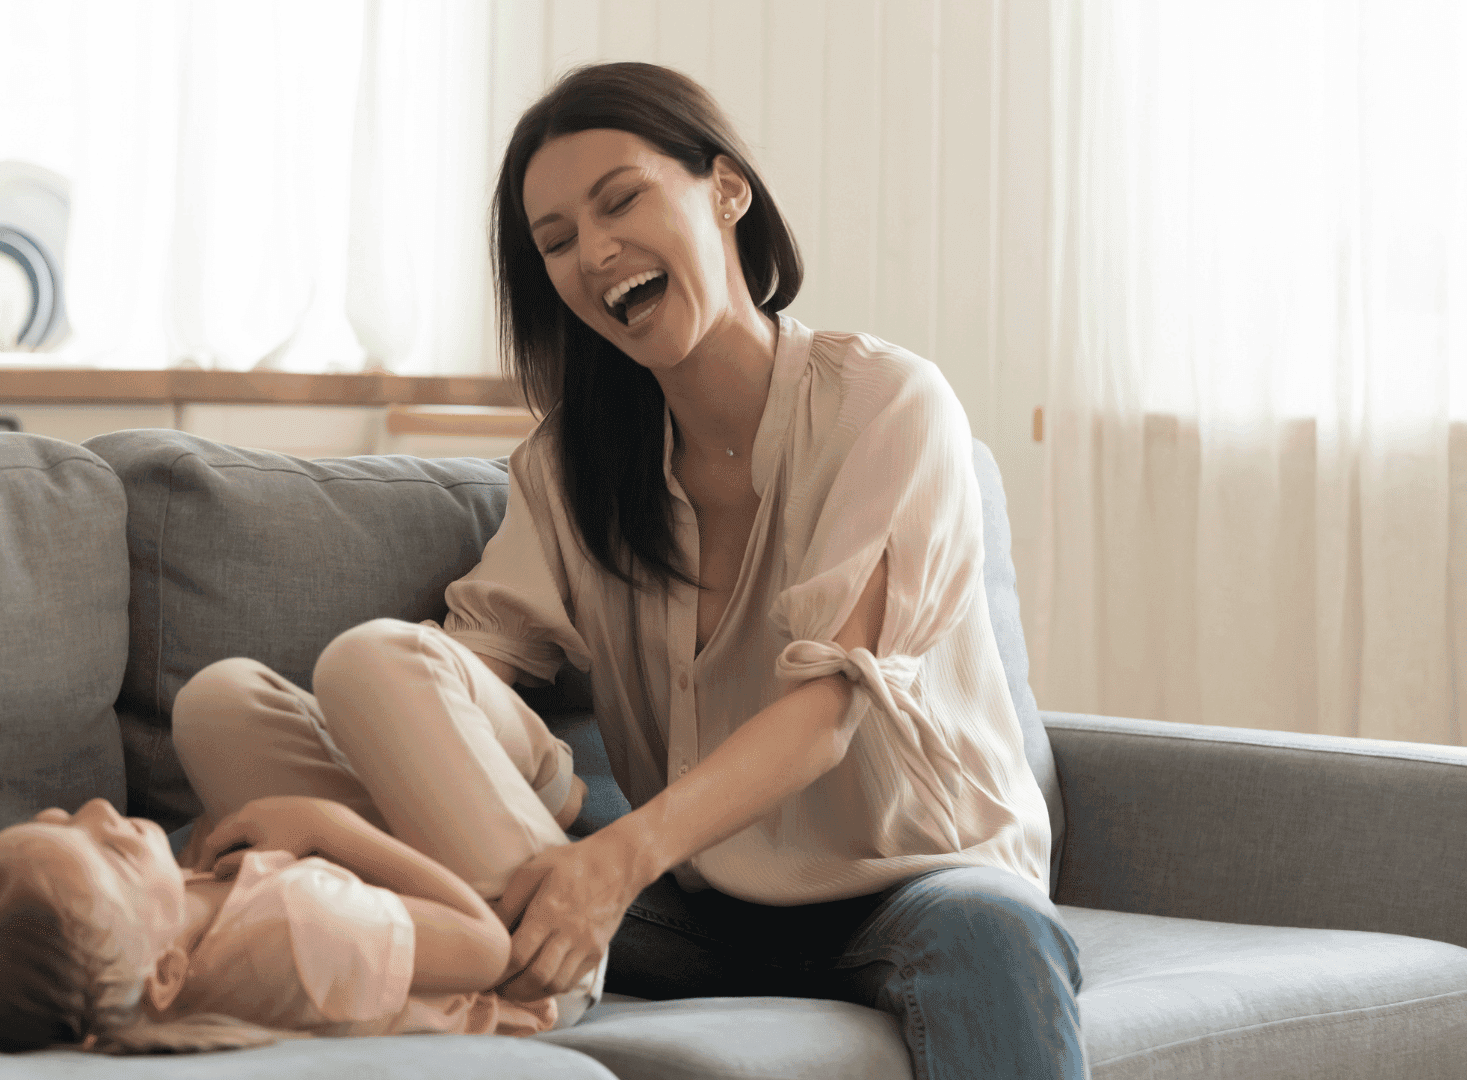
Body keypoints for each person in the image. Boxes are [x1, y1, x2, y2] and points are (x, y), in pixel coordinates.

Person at [454, 61, 1089, 1078]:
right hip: (703, 908)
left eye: (622, 199)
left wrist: (613, 862)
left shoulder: (887, 404)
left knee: (993, 934)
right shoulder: (566, 469)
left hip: (919, 879)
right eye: (557, 241)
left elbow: (829, 706)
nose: (595, 252)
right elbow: (466, 672)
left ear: (726, 189)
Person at [0, 626, 600, 1055]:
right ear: (164, 978)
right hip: (537, 947)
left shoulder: (131, 960)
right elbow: (484, 951)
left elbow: (19, 932)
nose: (93, 809)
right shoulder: (303, 923)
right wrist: (327, 829)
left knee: (219, 698)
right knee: (371, 660)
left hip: (395, 923)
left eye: (59, 823)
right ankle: (544, 783)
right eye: (113, 847)